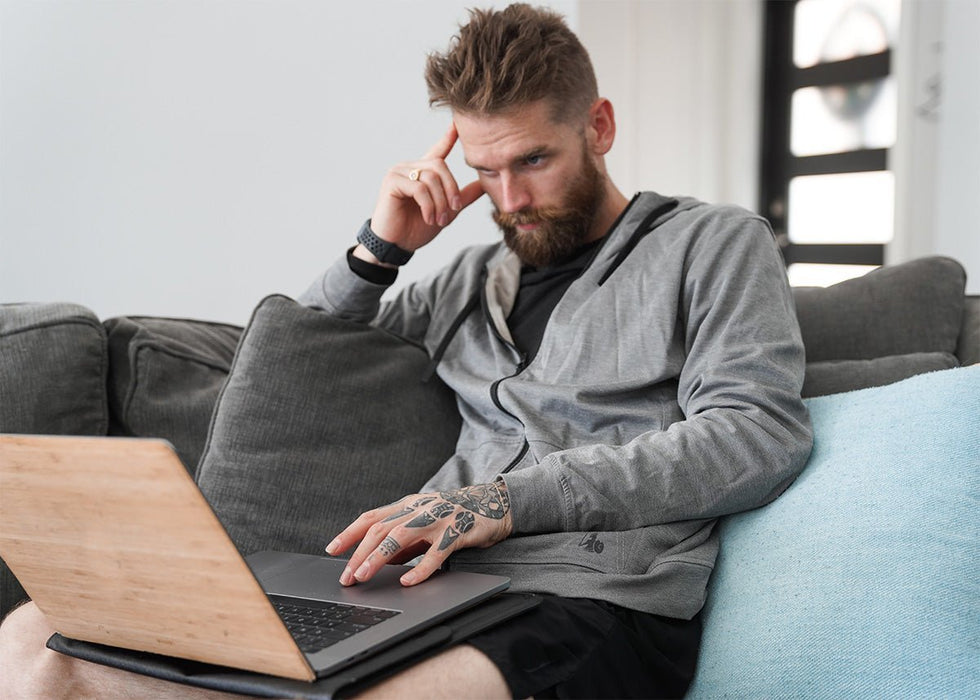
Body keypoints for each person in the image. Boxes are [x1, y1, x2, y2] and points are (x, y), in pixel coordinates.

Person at [0, 4, 812, 698]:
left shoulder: (714, 244)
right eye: (486, 170)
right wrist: (378, 251)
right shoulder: (465, 280)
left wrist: (503, 502)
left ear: (597, 126)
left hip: (592, 595)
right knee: (37, 635)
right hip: (419, 589)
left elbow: (756, 431)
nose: (510, 200)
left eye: (534, 160)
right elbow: (287, 365)